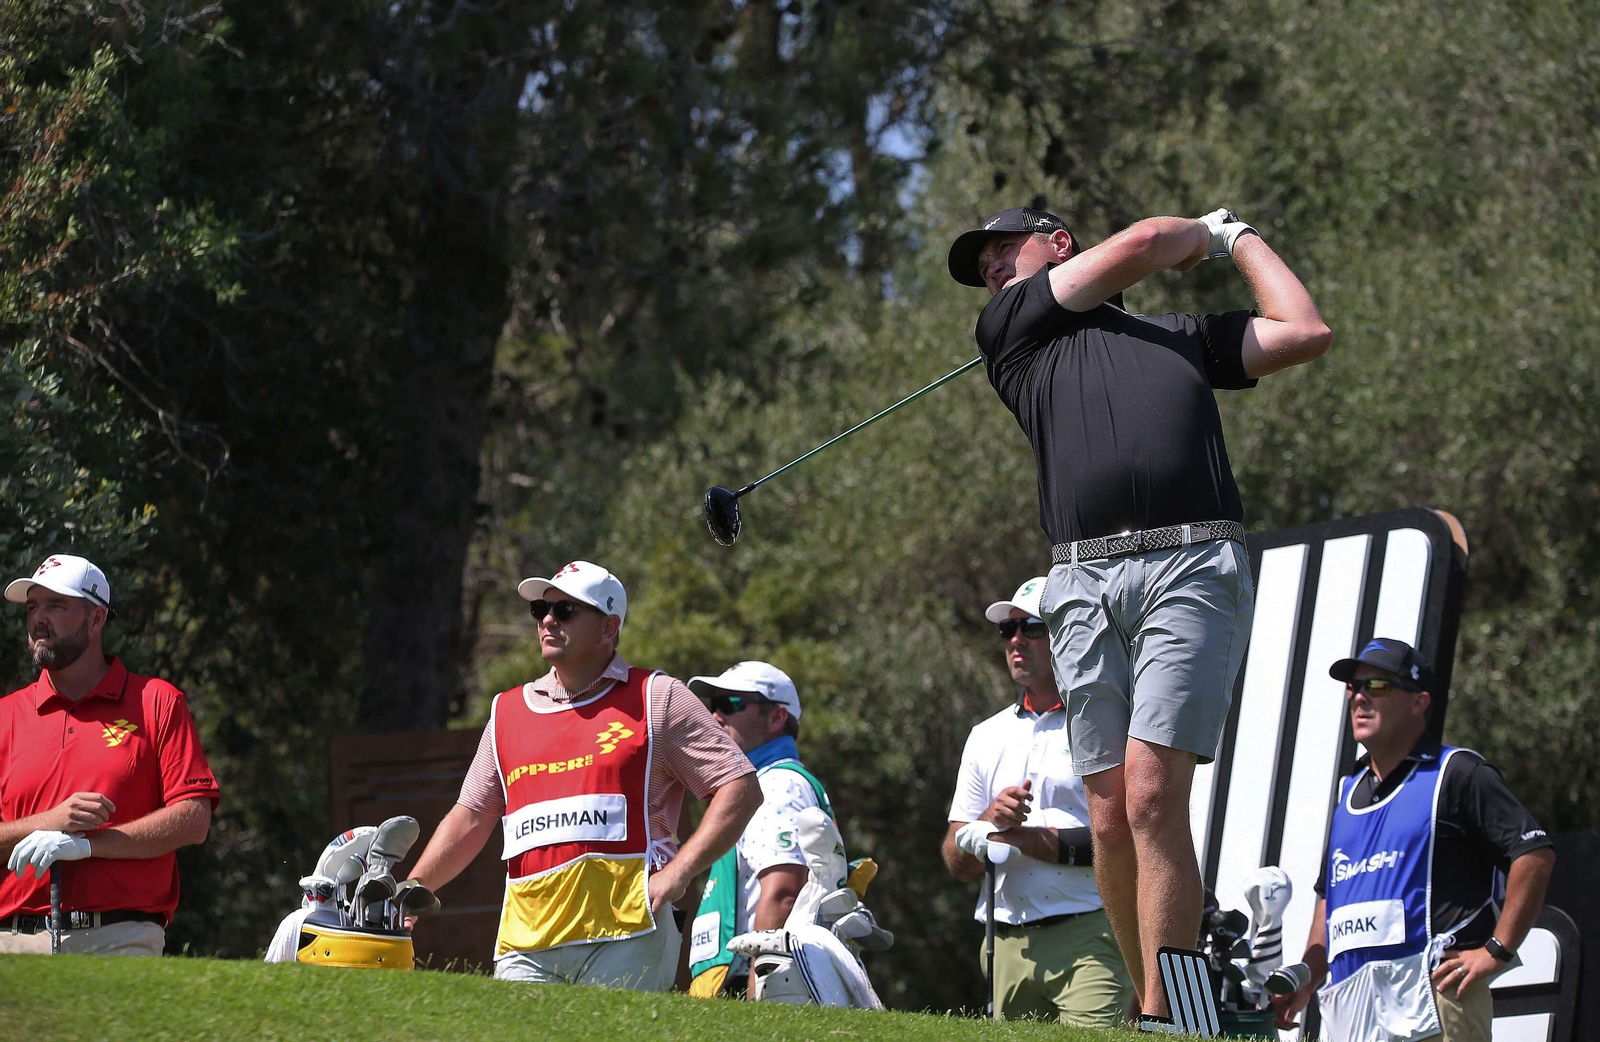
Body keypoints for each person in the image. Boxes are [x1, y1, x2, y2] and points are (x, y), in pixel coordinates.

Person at [946, 204, 1332, 1016]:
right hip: (1080, 579)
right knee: (1110, 810)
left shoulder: (1181, 337)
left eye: (1003, 250)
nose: (990, 268)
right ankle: (1146, 1000)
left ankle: (1168, 1012)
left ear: (1058, 244)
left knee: (1154, 793)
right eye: (982, 264)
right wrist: (1197, 232)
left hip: (1192, 560)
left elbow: (1303, 330)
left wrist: (1238, 238)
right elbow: (1154, 240)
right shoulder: (1011, 329)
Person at [405, 560, 761, 990]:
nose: (549, 620)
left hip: (628, 930)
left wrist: (679, 872)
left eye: (566, 610)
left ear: (609, 628)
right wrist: (413, 890)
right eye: (542, 610)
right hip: (525, 941)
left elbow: (740, 788)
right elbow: (472, 818)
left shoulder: (658, 697)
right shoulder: (507, 712)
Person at [1271, 639, 1556, 1042]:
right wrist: (1308, 976)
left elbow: (1534, 854)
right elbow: (1329, 898)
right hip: (1353, 1011)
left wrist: (1497, 950)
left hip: (1436, 1003)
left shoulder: (1457, 772)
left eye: (1379, 686)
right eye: (1354, 687)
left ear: (1419, 702)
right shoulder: (1348, 792)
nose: (1360, 698)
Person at [0, 554, 220, 956]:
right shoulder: (5, 716)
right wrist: (48, 824)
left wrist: (88, 845)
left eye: (56, 605)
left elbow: (193, 819)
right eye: (33, 607)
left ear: (96, 618)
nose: (38, 619)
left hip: (119, 937)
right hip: (10, 940)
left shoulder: (157, 702)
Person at [941, 576, 1132, 1026]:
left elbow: (1127, 836)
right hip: (1003, 939)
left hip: (1091, 932)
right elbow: (956, 860)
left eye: (1032, 628)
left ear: (1066, 633)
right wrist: (987, 822)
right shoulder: (985, 735)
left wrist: (1026, 839)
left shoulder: (1112, 721)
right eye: (1008, 631)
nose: (1016, 641)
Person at [685, 661, 832, 998]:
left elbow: (783, 892)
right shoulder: (762, 784)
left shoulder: (778, 785)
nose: (715, 717)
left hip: (759, 986)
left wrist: (759, 999)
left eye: (731, 704)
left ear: (776, 717)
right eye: (714, 705)